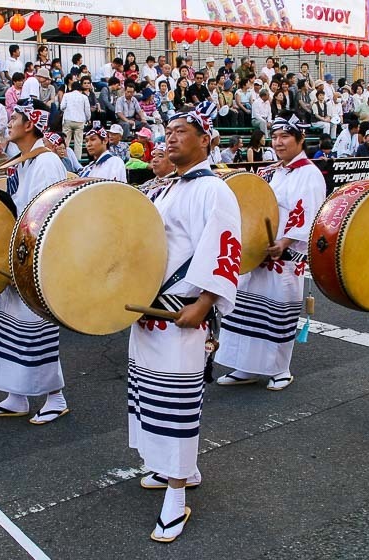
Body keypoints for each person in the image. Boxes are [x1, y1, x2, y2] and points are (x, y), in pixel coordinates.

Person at [130, 101, 241, 544]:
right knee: (150, 396)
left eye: (181, 130)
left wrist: (207, 301)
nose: (171, 136)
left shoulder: (215, 190)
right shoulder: (167, 188)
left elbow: (225, 249)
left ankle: (176, 497)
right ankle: (177, 469)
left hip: (182, 311)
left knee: (176, 403)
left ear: (205, 140)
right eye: (168, 130)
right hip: (149, 309)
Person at [0, 98, 70, 423]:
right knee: (10, 327)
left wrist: (26, 263)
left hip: (32, 260)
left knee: (35, 329)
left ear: (30, 123)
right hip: (17, 255)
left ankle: (55, 397)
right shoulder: (25, 161)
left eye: (15, 116)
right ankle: (17, 396)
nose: (9, 121)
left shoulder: (45, 163)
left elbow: (46, 219)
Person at [216, 111, 326, 390]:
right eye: (274, 137)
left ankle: (280, 369)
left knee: (277, 312)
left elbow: (306, 214)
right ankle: (245, 366)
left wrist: (285, 243)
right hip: (260, 252)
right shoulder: (274, 171)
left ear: (300, 140)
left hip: (283, 255)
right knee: (246, 310)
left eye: (285, 136)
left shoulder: (310, 174)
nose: (278, 142)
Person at [60, 81, 91, 160]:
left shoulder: (66, 95)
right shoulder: (84, 97)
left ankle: (65, 159)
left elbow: (62, 107)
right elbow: (87, 111)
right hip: (80, 121)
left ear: (71, 88)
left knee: (65, 142)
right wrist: (88, 119)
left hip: (68, 120)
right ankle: (77, 160)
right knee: (78, 143)